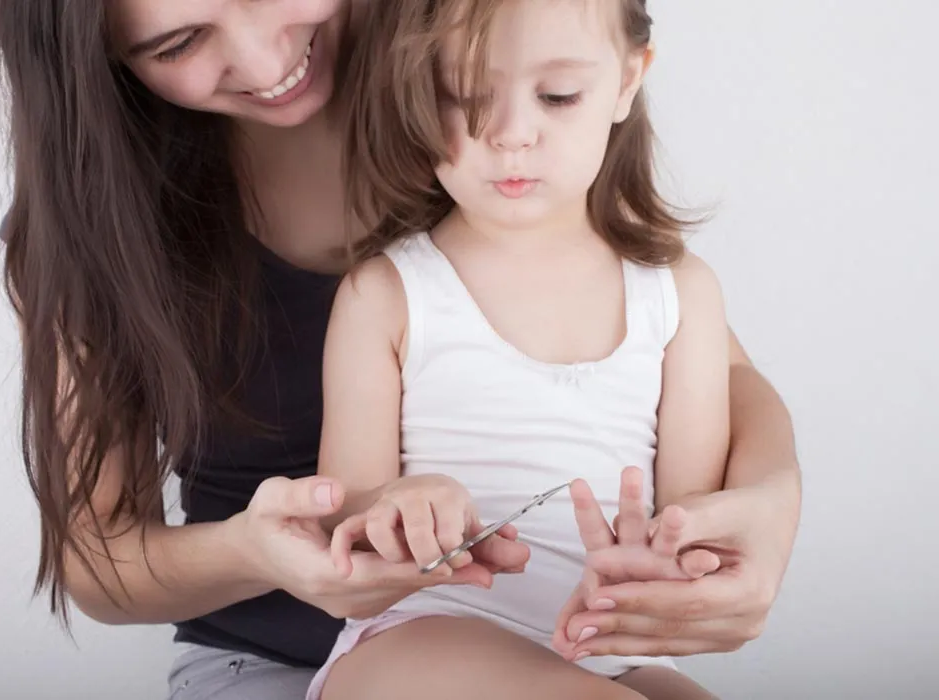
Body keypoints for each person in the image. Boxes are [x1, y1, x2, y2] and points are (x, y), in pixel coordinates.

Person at [0, 0, 800, 698]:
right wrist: (262, 552)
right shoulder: (102, 226)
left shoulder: (475, 74)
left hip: (575, 653)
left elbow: (719, 369)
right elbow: (98, 560)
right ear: (103, 62)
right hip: (288, 663)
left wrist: (770, 502)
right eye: (179, 41)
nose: (267, 55)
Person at [307, 0, 734, 698]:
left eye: (557, 96)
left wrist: (656, 568)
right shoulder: (387, 295)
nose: (509, 135)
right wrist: (403, 504)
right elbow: (339, 540)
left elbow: (697, 530)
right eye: (465, 96)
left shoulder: (682, 295)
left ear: (629, 80)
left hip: (610, 650)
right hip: (421, 639)